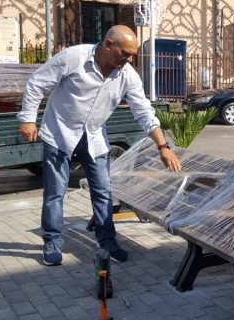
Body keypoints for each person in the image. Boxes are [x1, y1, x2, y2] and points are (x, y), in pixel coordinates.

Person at [18, 25, 181, 266]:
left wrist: (162, 146)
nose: (130, 59)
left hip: (94, 136)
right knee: (55, 193)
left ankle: (107, 242)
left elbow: (144, 112)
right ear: (108, 45)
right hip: (60, 132)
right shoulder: (74, 58)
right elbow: (36, 83)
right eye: (125, 53)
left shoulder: (127, 74)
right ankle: (52, 242)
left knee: (103, 192)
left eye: (132, 54)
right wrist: (28, 119)